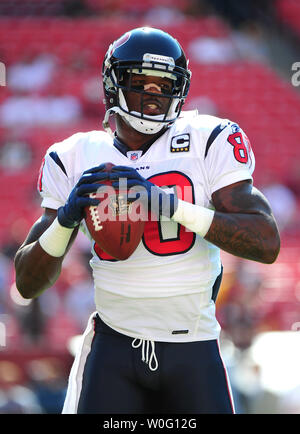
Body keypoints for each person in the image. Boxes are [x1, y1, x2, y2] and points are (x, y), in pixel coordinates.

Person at [14, 27, 280, 414]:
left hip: (193, 345)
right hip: (113, 347)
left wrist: (170, 206)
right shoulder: (73, 156)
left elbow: (267, 242)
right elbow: (26, 284)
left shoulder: (209, 138)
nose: (155, 94)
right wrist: (66, 220)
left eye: (165, 84)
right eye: (142, 81)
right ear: (113, 83)